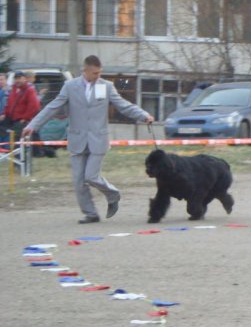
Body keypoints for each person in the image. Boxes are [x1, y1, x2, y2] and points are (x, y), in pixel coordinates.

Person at [22, 55, 155, 224]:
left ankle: (112, 194)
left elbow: (123, 105)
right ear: (85, 71)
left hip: (98, 140)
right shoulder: (70, 86)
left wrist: (143, 115)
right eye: (94, 73)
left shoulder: (106, 86)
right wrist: (33, 125)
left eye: (100, 73)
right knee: (78, 182)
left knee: (91, 176)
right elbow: (53, 107)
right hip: (77, 139)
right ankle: (91, 213)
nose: (98, 76)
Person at [0, 71, 41, 144]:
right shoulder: (13, 89)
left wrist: (25, 118)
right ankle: (5, 150)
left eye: (19, 78)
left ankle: (19, 154)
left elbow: (34, 106)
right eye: (16, 78)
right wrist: (4, 114)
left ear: (25, 79)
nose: (17, 80)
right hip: (12, 118)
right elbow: (9, 104)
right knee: (5, 131)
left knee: (17, 138)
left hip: (22, 120)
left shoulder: (29, 90)